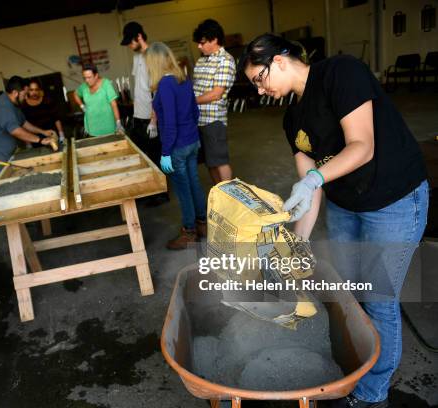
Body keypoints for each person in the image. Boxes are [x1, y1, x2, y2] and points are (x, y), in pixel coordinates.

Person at [239, 34, 429, 408]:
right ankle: (357, 367)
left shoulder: (342, 73)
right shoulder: (293, 118)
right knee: (349, 294)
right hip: (346, 205)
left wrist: (313, 178)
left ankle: (372, 394)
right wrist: (297, 243)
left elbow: (362, 145)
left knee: (378, 299)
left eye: (259, 79)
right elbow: (310, 192)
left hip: (394, 199)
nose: (260, 90)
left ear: (279, 61)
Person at [146, 42, 207, 250]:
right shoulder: (183, 79)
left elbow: (170, 122)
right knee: (194, 183)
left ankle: (189, 232)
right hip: (192, 141)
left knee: (183, 190)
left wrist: (165, 152)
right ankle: (202, 225)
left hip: (177, 147)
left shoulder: (164, 85)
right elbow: (195, 112)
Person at [0, 76, 57, 193]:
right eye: (25, 94)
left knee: (10, 185)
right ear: (15, 93)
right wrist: (40, 140)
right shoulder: (3, 105)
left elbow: (23, 123)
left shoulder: (14, 105)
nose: (26, 97)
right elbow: (15, 130)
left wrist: (43, 132)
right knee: (0, 190)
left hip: (1, 153)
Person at [121, 21, 169, 206]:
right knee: (143, 156)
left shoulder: (154, 56)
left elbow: (157, 92)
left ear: (139, 37)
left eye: (130, 41)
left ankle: (161, 194)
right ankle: (150, 191)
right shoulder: (137, 57)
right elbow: (140, 86)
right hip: (138, 115)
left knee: (155, 156)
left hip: (151, 116)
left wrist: (153, 121)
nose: (128, 46)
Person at [192, 19, 236, 185]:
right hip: (198, 119)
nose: (199, 46)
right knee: (209, 163)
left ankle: (229, 198)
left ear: (215, 40)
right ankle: (219, 194)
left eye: (202, 43)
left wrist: (190, 102)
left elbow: (216, 94)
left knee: (219, 161)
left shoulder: (225, 60)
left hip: (213, 121)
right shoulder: (202, 60)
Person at [73, 64, 125, 137]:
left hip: (108, 126)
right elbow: (75, 94)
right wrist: (82, 106)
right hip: (91, 127)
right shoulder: (84, 87)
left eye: (89, 77)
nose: (86, 80)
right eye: (84, 78)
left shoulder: (106, 84)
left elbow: (114, 104)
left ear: (96, 75)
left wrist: (118, 123)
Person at [21, 77, 65, 145]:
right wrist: (28, 143)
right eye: (31, 90)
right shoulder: (24, 105)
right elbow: (24, 125)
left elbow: (56, 119)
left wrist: (61, 134)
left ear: (39, 90)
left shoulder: (47, 101)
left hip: (52, 135)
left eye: (36, 89)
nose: (34, 92)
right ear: (27, 91)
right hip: (35, 139)